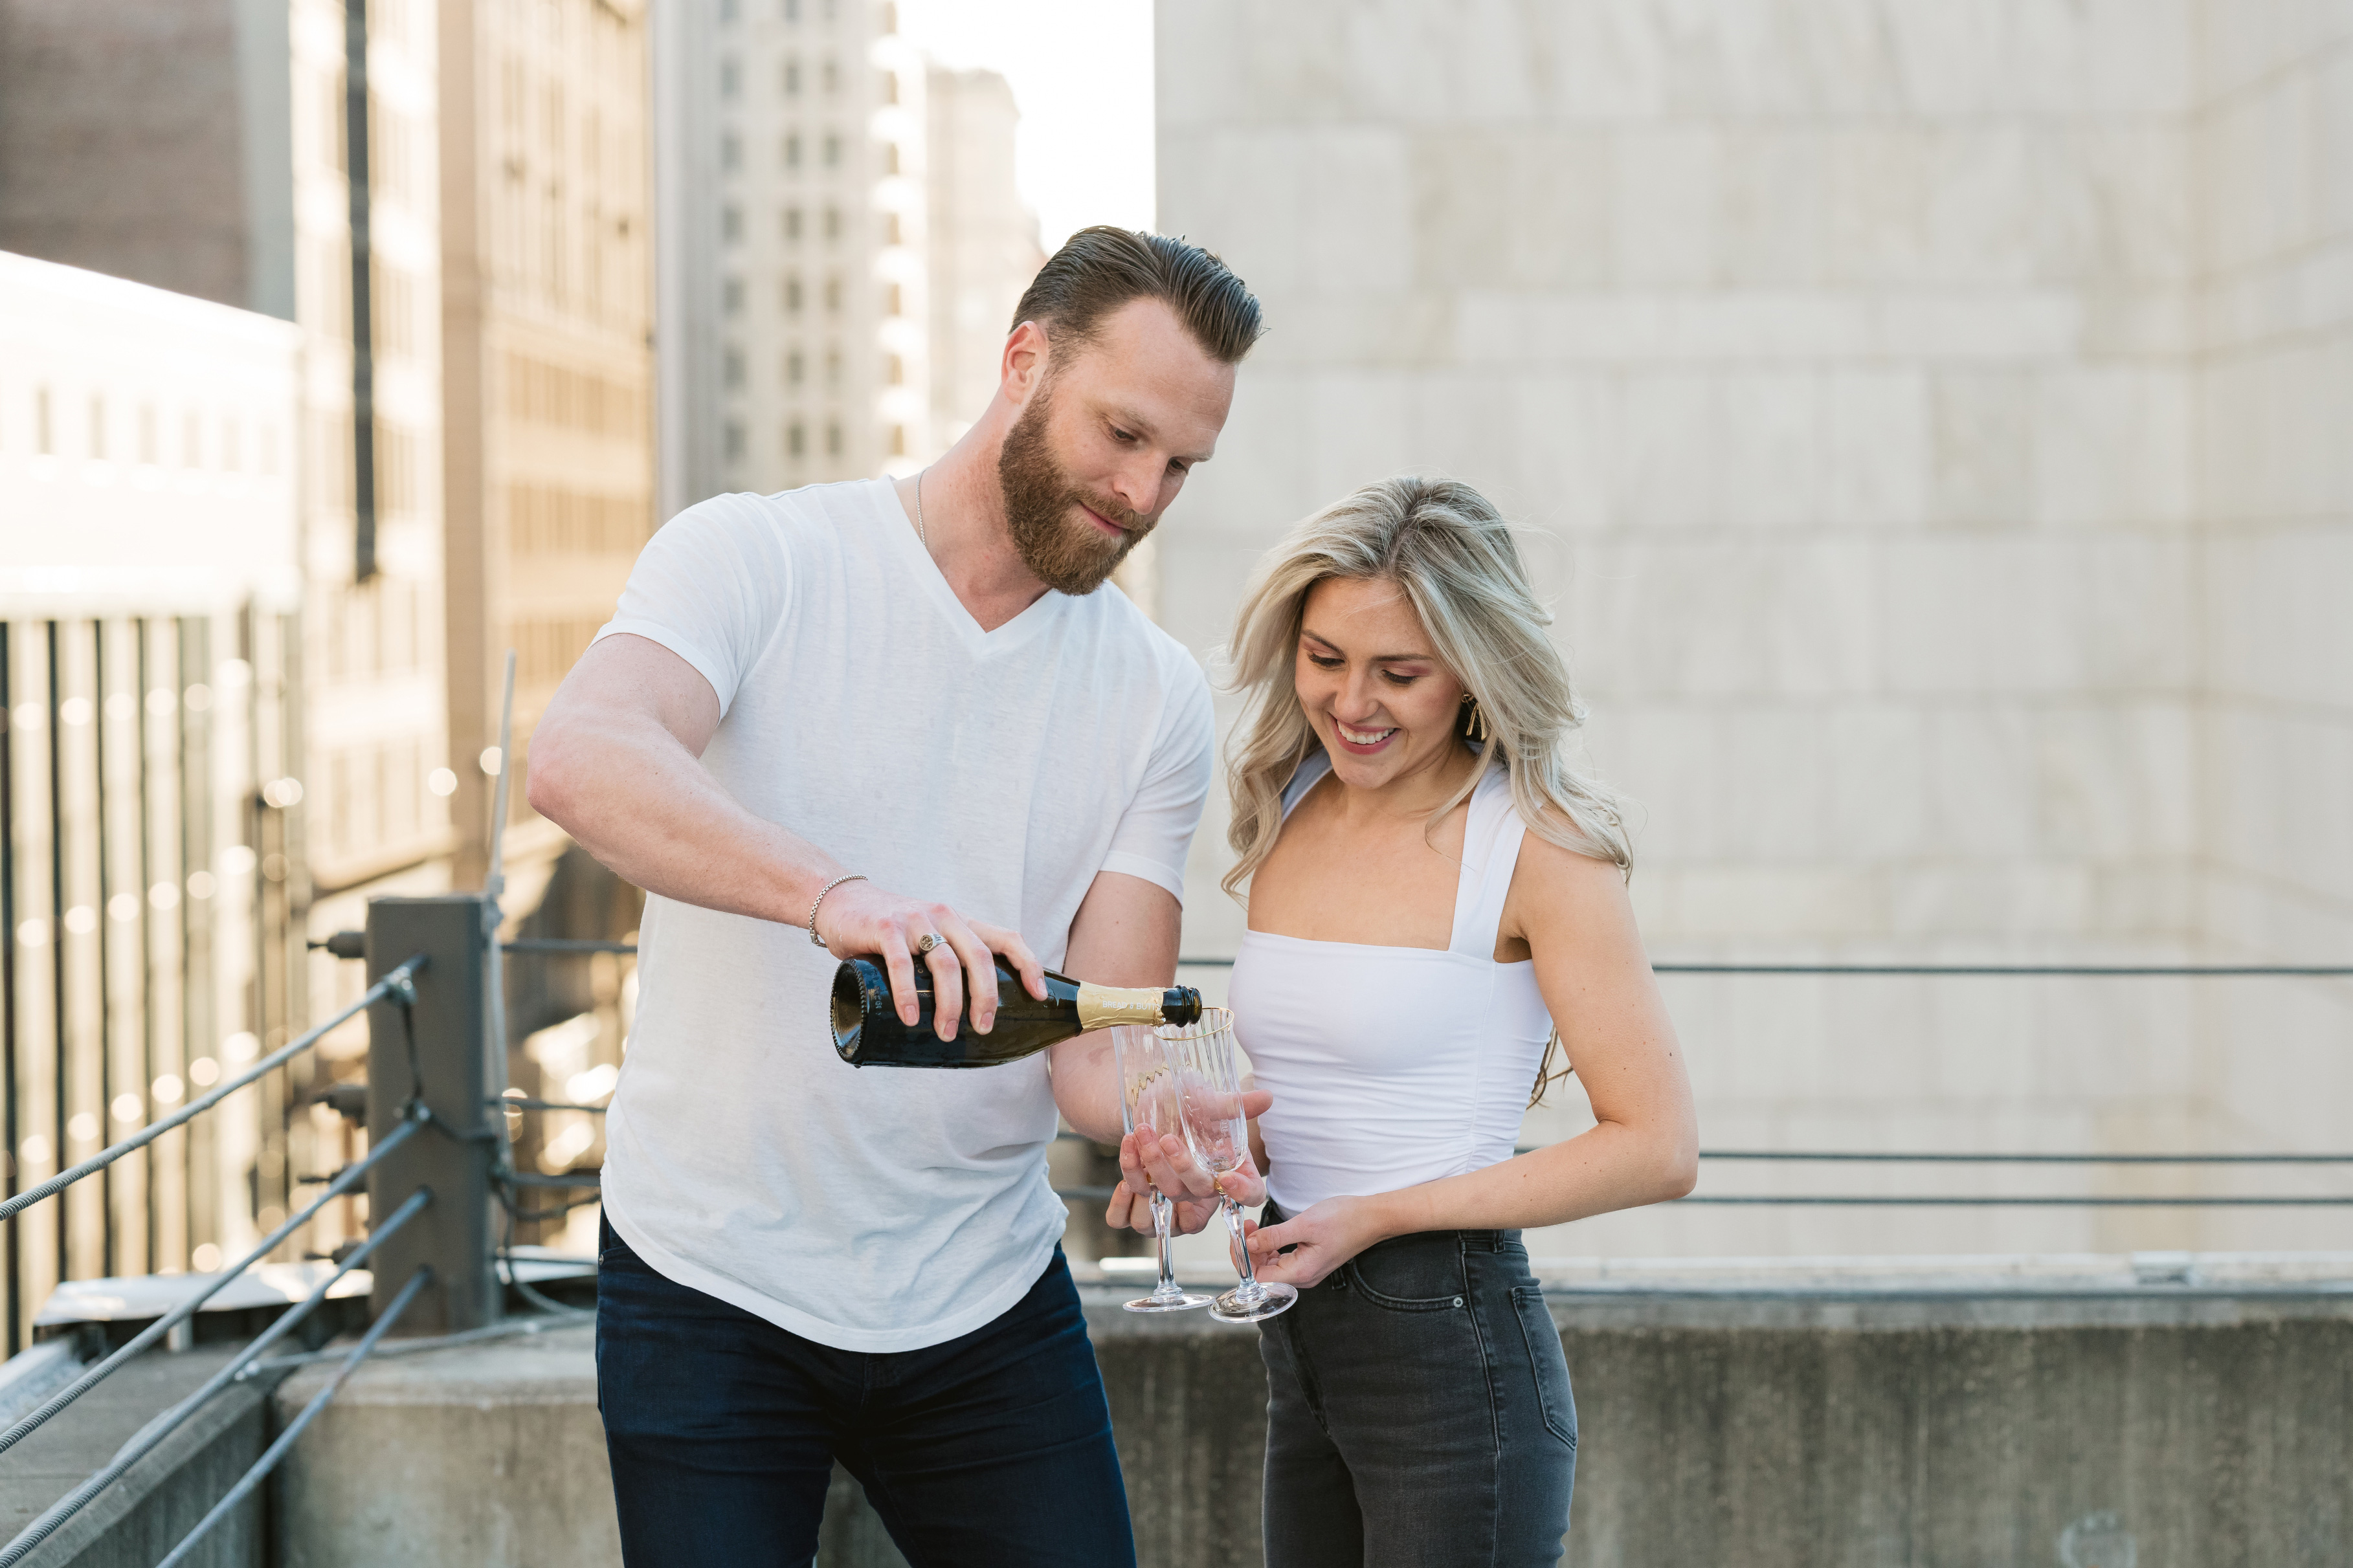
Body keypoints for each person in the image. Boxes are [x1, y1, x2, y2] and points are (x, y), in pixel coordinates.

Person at [526, 227, 1266, 1568]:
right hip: (711, 1280)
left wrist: (1162, 1127)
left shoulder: (1156, 696)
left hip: (981, 1294)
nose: (1144, 491)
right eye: (1123, 433)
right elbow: (579, 754)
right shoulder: (761, 557)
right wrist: (842, 899)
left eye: (1181, 466)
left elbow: (1095, 1048)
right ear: (1023, 360)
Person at [1110, 476, 1699, 1565]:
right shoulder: (1291, 805)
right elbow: (1321, 1096)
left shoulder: (1537, 847)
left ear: (1472, 671)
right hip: (1303, 1347)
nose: (1353, 704)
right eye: (1326, 658)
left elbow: (1658, 1151)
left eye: (1401, 674)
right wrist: (1211, 1160)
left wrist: (1376, 1218)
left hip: (1452, 1356)